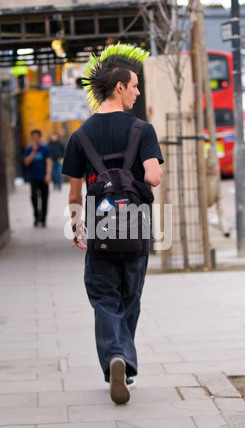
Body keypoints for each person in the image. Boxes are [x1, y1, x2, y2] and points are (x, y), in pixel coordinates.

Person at [62, 43, 163, 405]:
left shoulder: (79, 135)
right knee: (130, 297)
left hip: (101, 229)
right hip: (137, 228)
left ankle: (114, 359)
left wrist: (76, 229)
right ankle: (127, 366)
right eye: (134, 86)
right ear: (118, 87)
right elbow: (153, 178)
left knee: (105, 298)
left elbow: (75, 195)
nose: (137, 92)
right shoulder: (143, 129)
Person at [23, 129, 52, 227]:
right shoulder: (28, 149)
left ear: (40, 137)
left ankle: (43, 219)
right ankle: (36, 217)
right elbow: (26, 162)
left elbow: (48, 161)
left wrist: (48, 175)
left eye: (37, 137)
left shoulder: (45, 149)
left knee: (44, 198)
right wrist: (33, 151)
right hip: (33, 177)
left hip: (43, 177)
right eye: (33, 137)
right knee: (34, 197)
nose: (35, 139)